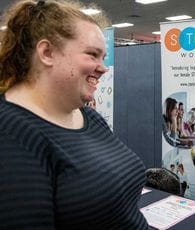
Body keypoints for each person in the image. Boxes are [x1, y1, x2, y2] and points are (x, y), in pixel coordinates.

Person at [0, 0, 148, 229]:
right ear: (47, 52)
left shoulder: (90, 118)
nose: (103, 67)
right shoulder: (11, 135)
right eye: (92, 54)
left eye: (103, 57)